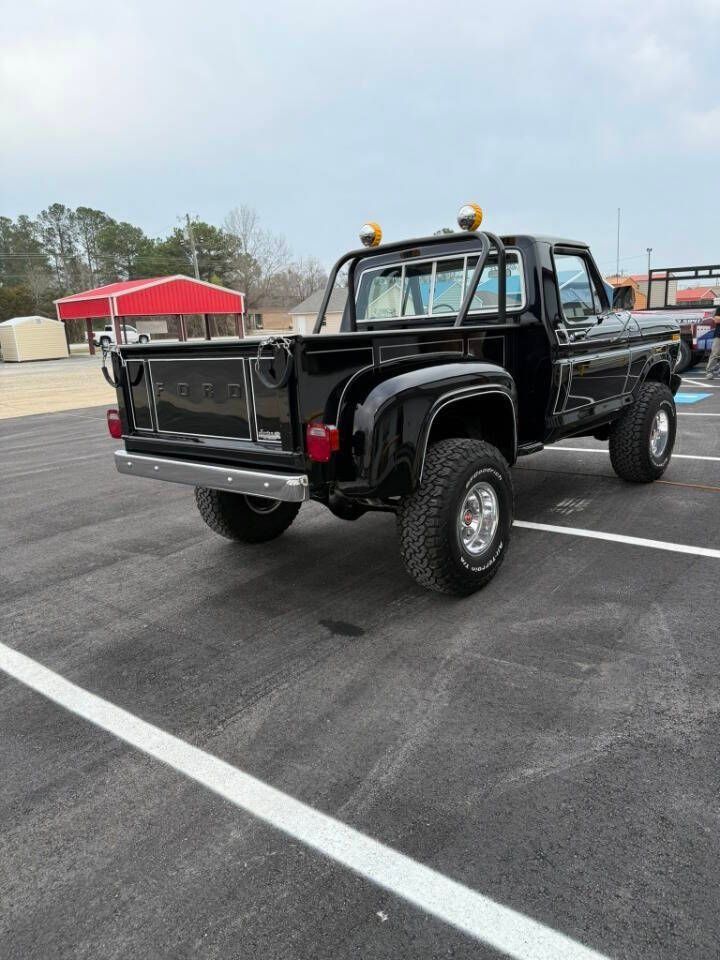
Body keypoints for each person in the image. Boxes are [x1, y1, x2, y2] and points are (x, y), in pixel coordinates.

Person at [707, 306, 720, 379]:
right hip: (719, 335)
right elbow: (716, 320)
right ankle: (709, 372)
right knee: (715, 354)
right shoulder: (719, 308)